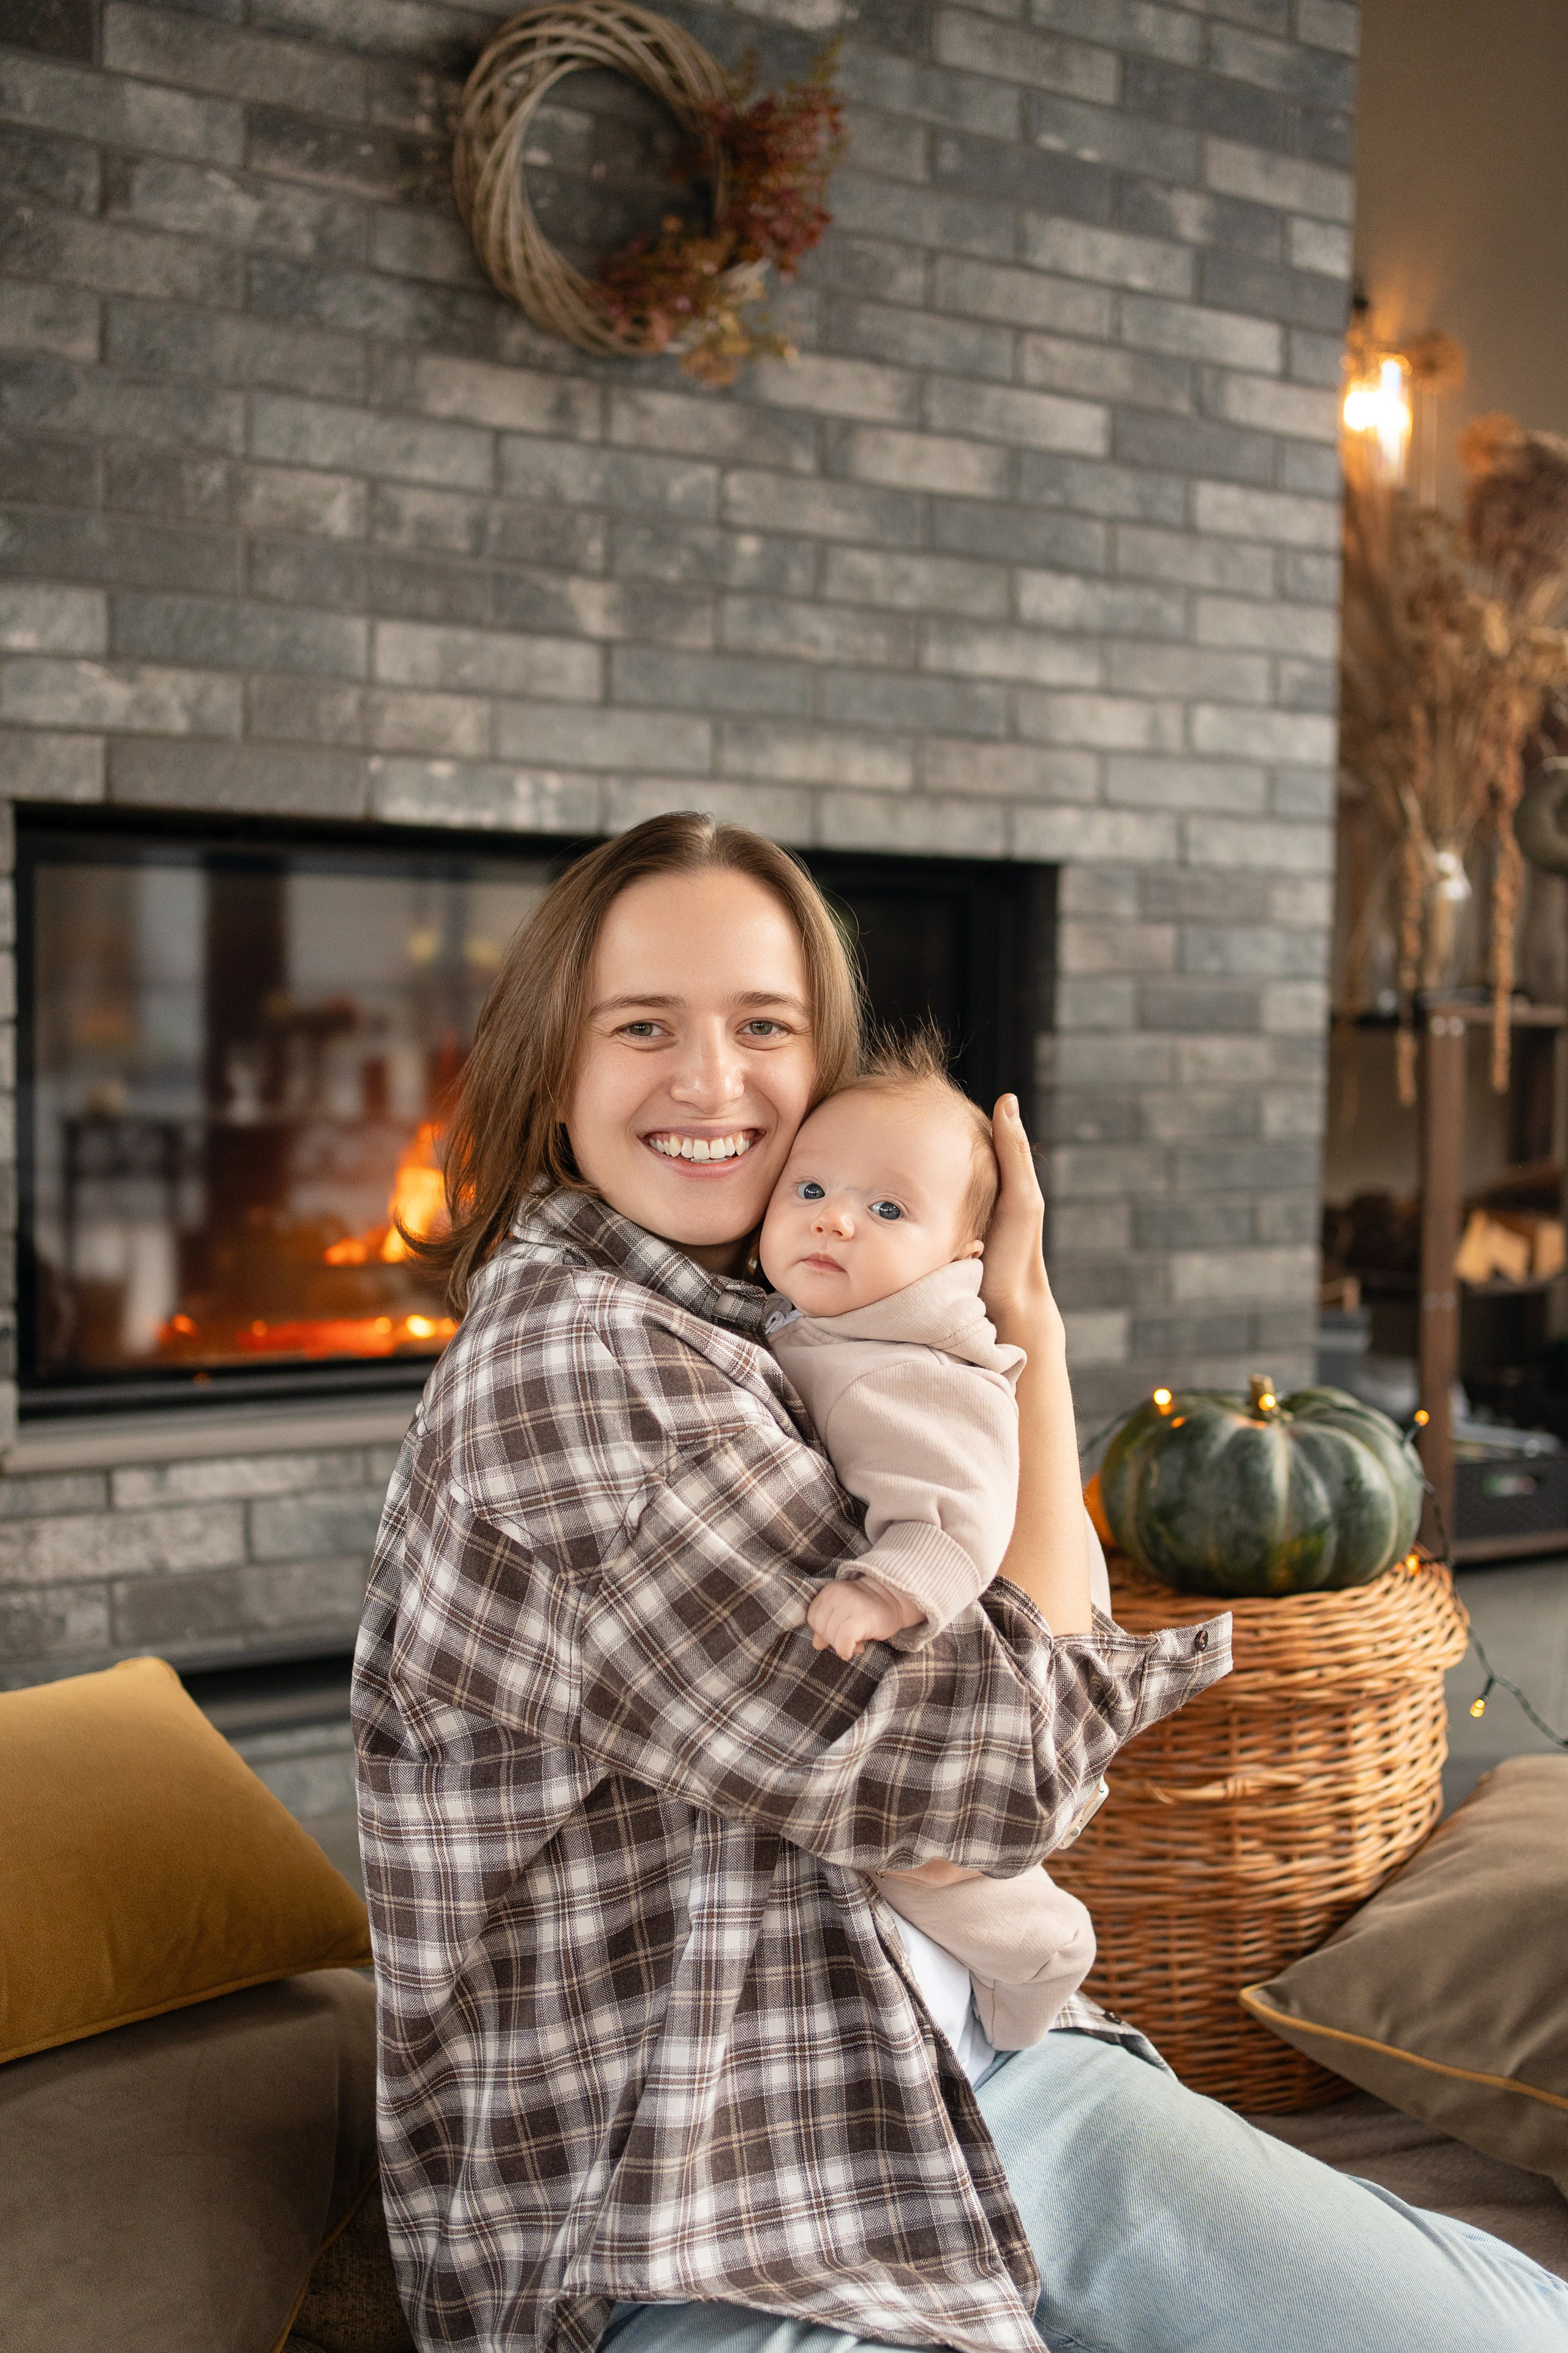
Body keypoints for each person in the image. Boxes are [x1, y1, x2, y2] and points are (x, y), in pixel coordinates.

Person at [353, 812, 1568, 2353]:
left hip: (965, 2078)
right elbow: (997, 1782)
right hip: (696, 2209)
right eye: (641, 1026)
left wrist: (1019, 1325)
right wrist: (1022, 1352)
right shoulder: (573, 1371)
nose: (712, 1081)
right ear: (551, 1066)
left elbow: (1007, 1706)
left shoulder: (781, 1324)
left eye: (763, 1027)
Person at [758, 1034, 1103, 2050]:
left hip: (971, 1618)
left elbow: (957, 1514)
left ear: (963, 1256)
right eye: (810, 1188)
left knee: (924, 1862)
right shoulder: (840, 1322)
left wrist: (883, 1591)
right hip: (967, 1626)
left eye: (887, 1209)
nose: (834, 1217)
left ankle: (1043, 1949)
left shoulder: (907, 1365)